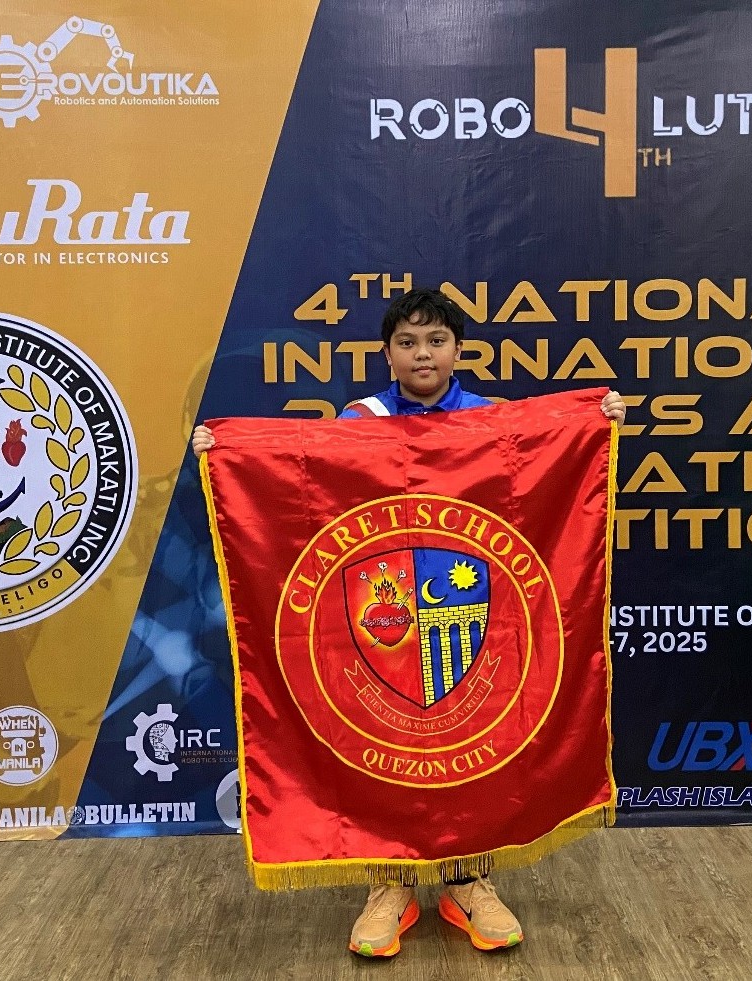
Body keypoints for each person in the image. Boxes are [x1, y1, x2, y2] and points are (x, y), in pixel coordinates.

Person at [193, 287, 626, 956]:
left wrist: (595, 420)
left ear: (458, 350)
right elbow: (299, 477)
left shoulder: (493, 422)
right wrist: (227, 449)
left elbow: (541, 474)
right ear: (388, 354)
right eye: (407, 342)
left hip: (471, 619)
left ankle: (468, 881)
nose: (422, 354)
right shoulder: (357, 421)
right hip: (380, 627)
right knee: (384, 752)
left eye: (435, 341)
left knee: (473, 748)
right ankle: (388, 885)